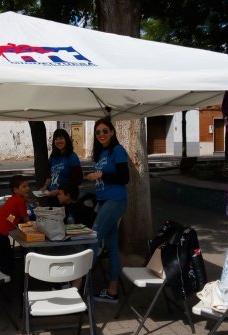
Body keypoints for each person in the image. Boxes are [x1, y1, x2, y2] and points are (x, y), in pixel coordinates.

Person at [85, 118, 129, 304]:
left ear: (112, 132)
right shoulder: (102, 153)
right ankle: (112, 291)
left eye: (105, 131)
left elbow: (124, 177)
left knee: (93, 238)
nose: (101, 135)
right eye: (98, 132)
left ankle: (76, 283)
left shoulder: (118, 150)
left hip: (115, 200)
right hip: (104, 201)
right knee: (111, 247)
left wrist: (101, 174)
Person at [0, 175, 30, 276]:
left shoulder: (13, 199)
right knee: (5, 260)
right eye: (24, 187)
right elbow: (26, 220)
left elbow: (10, 216)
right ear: (16, 190)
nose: (28, 188)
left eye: (28, 186)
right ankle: (7, 283)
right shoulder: (19, 200)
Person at [40, 129, 83, 207]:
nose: (58, 141)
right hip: (51, 196)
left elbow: (77, 180)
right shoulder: (53, 157)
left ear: (66, 139)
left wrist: (58, 191)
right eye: (56, 139)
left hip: (64, 198)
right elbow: (49, 175)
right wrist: (45, 186)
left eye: (61, 138)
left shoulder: (72, 157)